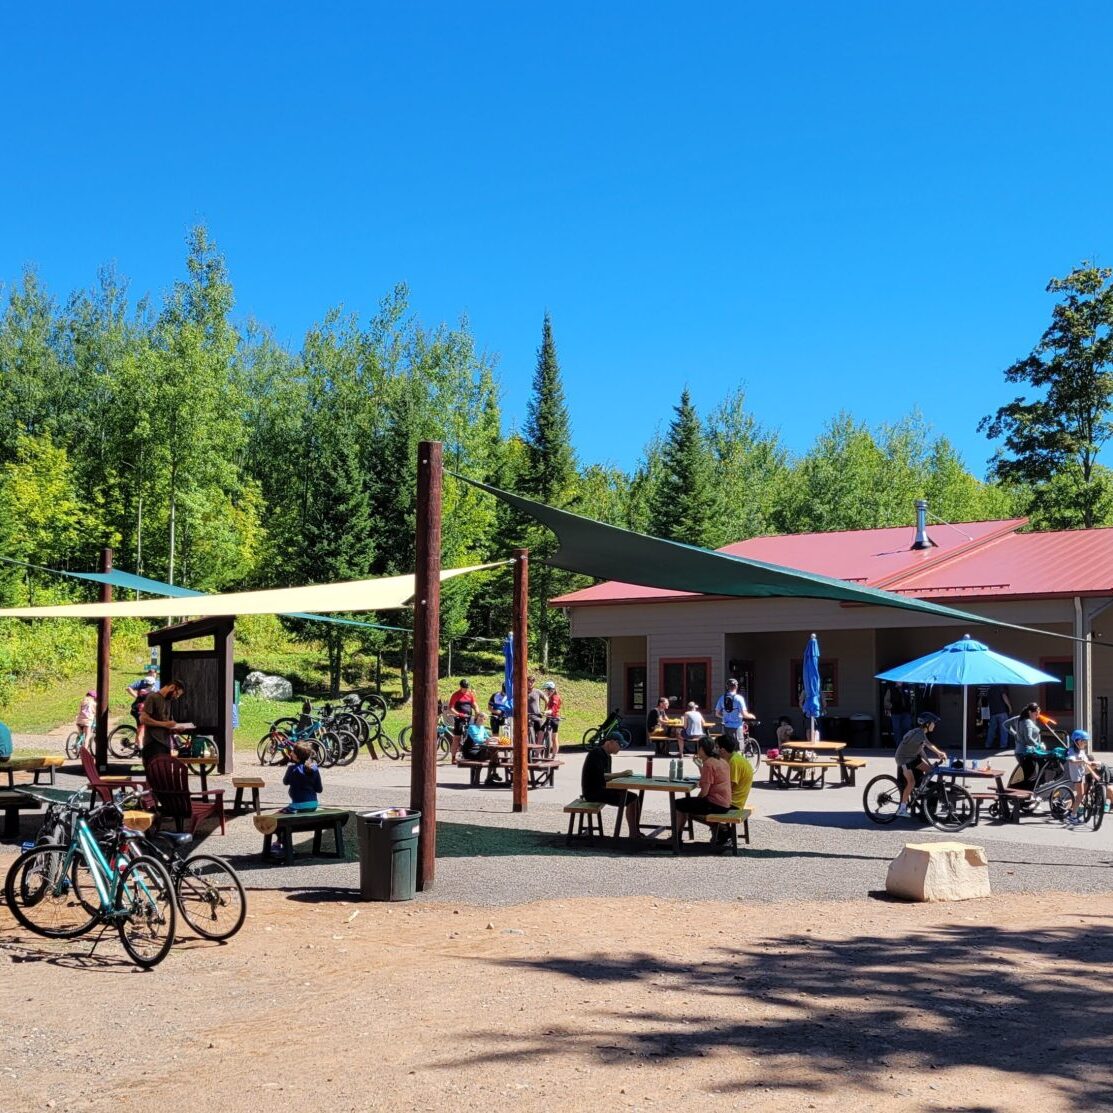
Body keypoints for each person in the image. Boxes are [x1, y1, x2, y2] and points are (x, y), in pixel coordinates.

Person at [674, 737, 733, 844]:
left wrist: (696, 801)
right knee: (686, 804)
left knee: (678, 804)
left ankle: (676, 838)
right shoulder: (722, 761)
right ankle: (720, 828)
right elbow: (709, 780)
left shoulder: (709, 764)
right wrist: (699, 765)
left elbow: (704, 792)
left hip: (715, 803)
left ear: (701, 749)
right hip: (725, 803)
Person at [271, 742, 324, 857]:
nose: (291, 752)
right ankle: (280, 842)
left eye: (293, 752)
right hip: (313, 805)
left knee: (273, 819)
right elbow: (319, 789)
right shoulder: (314, 768)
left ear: (296, 756)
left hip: (297, 806)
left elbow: (285, 782)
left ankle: (281, 844)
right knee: (283, 817)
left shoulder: (292, 769)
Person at [581, 732, 639, 837]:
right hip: (593, 792)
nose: (620, 748)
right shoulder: (596, 753)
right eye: (619, 745)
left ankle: (635, 831)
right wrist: (622, 774)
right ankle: (633, 834)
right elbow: (602, 776)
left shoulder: (607, 756)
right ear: (610, 742)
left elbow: (608, 777)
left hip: (601, 789)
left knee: (634, 797)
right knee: (632, 799)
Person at [894, 711, 947, 817]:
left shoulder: (920, 733)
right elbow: (928, 745)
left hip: (912, 757)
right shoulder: (919, 734)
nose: (934, 725)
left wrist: (929, 763)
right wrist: (940, 753)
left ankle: (922, 790)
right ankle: (902, 808)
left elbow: (920, 751)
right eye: (933, 723)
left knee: (930, 770)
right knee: (911, 782)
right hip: (904, 759)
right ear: (927, 724)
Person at [138, 678, 187, 768]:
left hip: (165, 743)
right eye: (177, 694)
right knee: (155, 776)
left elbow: (165, 721)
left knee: (164, 777)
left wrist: (174, 728)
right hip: (153, 743)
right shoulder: (153, 697)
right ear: (172, 687)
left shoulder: (168, 701)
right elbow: (143, 719)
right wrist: (165, 724)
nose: (176, 697)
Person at [716, 734, 753, 847]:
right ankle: (721, 831)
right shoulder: (734, 758)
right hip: (734, 800)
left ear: (722, 750)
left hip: (733, 803)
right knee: (695, 804)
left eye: (716, 747)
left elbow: (728, 787)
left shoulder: (734, 762)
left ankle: (725, 831)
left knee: (690, 808)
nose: (714, 749)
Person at [1064, 729, 1101, 827]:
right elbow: (1072, 761)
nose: (1085, 743)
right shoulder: (1071, 750)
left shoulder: (1081, 751)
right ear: (1077, 741)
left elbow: (1086, 763)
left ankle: (1096, 785)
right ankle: (1072, 816)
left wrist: (1093, 769)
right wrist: (1082, 761)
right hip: (1076, 775)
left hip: (1082, 772)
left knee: (1099, 765)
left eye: (1085, 741)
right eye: (1083, 741)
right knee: (1080, 796)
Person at [462, 711, 503, 785]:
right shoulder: (472, 727)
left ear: (485, 720)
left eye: (483, 718)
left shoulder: (482, 728)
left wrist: (495, 739)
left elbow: (487, 737)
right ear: (476, 717)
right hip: (470, 751)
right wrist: (487, 740)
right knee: (491, 754)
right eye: (480, 716)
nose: (481, 718)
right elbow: (477, 740)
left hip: (479, 750)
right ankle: (490, 776)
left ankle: (490, 777)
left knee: (495, 754)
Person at [714, 678, 756, 747]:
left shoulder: (722, 698)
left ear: (727, 687)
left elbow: (717, 714)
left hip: (726, 727)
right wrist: (752, 716)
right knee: (738, 750)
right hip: (737, 728)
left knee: (727, 749)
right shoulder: (739, 698)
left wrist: (724, 716)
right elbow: (744, 715)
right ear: (736, 686)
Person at [125, 664, 159, 745]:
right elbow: (128, 688)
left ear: (156, 674)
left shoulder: (157, 683)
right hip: (141, 709)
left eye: (154, 672)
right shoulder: (142, 682)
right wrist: (137, 696)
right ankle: (140, 747)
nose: (152, 674)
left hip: (147, 708)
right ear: (148, 673)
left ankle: (137, 746)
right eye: (150, 672)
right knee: (142, 728)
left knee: (142, 728)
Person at [446, 679, 478, 764]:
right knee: (457, 738)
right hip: (459, 718)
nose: (466, 689)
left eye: (467, 688)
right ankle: (453, 757)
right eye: (464, 688)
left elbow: (474, 704)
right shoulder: (455, 695)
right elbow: (451, 708)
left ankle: (470, 754)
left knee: (472, 736)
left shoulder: (470, 694)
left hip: (469, 717)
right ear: (461, 687)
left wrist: (477, 711)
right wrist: (459, 714)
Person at [986, 685, 1013, 750]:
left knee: (991, 729)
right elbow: (1004, 696)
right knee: (1003, 729)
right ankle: (1003, 745)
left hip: (993, 712)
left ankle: (988, 744)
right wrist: (1009, 707)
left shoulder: (990, 689)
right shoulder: (1000, 687)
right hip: (1002, 711)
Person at [542, 681, 562, 757]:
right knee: (542, 731)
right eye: (545, 690)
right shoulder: (551, 697)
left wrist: (547, 711)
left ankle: (553, 755)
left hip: (554, 719)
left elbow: (553, 708)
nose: (546, 692)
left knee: (554, 738)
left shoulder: (555, 697)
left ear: (552, 690)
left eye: (547, 690)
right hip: (549, 718)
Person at [526, 675, 547, 747]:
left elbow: (546, 699)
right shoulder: (522, 691)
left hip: (536, 715)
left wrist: (545, 711)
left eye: (532, 682)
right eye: (528, 681)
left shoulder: (537, 691)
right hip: (526, 716)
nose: (530, 683)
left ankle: (538, 750)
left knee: (539, 732)